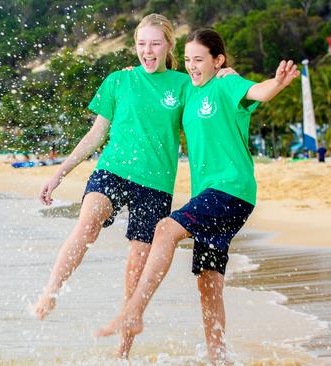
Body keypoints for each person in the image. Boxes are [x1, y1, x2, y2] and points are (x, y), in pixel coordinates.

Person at [96, 28, 299, 364]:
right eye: (188, 59)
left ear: (218, 60)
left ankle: (134, 311)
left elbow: (259, 92)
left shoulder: (226, 84)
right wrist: (133, 71)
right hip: (207, 194)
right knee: (208, 282)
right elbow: (156, 86)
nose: (191, 66)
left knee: (165, 229)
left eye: (199, 60)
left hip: (231, 190)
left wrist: (277, 82)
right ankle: (218, 358)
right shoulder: (187, 91)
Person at [32, 15, 236, 322]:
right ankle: (50, 292)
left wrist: (226, 73)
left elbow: (212, 91)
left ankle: (123, 347)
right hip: (113, 170)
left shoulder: (184, 85)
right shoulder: (119, 80)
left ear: (169, 45)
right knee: (87, 225)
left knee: (138, 264)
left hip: (156, 185)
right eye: (142, 44)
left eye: (155, 43)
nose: (148, 50)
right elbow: (95, 135)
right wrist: (58, 174)